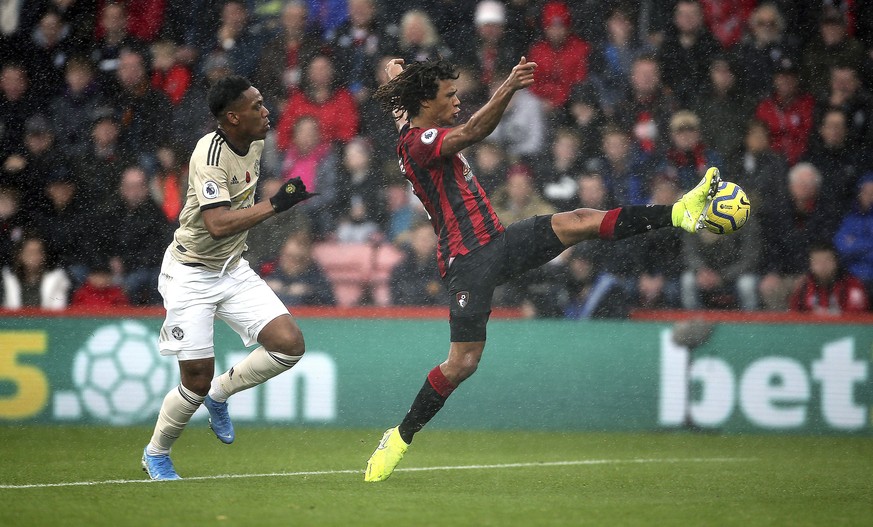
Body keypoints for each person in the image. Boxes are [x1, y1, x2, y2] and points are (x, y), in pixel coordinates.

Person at [363, 56, 723, 482]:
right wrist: (510, 88)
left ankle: (680, 212)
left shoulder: (411, 126)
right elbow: (475, 131)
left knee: (580, 220)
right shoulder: (421, 142)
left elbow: (403, 109)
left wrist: (393, 73)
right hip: (469, 261)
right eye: (450, 95)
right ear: (427, 102)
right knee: (462, 363)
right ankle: (400, 437)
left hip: (497, 241)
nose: (458, 100)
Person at [141, 75, 317, 481]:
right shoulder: (209, 153)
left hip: (233, 268)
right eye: (256, 105)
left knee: (289, 346)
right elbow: (218, 224)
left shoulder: (255, 140)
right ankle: (156, 453)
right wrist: (277, 205)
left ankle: (221, 394)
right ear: (233, 117)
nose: (266, 110)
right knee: (195, 380)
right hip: (191, 273)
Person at [788, 241, 869, 314]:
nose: (822, 266)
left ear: (835, 262)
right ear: (810, 264)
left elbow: (856, 319)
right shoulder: (803, 286)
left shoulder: (852, 285)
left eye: (827, 260)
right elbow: (794, 316)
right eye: (817, 262)